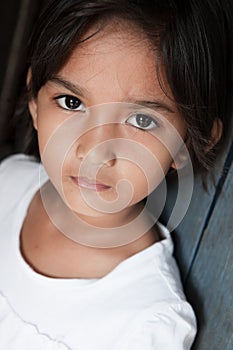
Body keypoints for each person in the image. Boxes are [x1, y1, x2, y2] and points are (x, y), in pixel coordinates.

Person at [0, 0, 232, 349]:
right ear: (35, 101)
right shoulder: (9, 181)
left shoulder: (147, 325)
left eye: (142, 121)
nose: (95, 150)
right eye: (71, 102)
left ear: (188, 142)